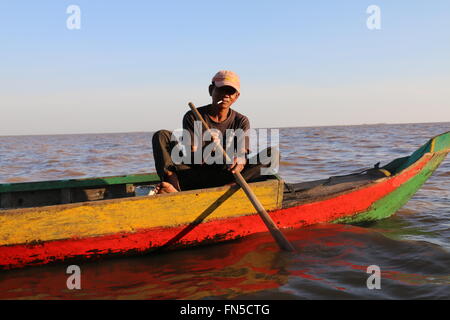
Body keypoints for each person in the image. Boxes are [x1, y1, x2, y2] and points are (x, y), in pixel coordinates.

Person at [151, 70, 276, 194]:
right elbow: (192, 158)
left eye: (230, 92)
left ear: (236, 96)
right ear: (211, 90)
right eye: (222, 89)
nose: (226, 95)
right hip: (194, 175)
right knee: (161, 135)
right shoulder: (193, 116)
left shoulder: (241, 121)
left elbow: (242, 156)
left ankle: (228, 189)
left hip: (226, 176)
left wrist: (239, 162)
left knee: (272, 154)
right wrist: (208, 148)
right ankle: (173, 188)